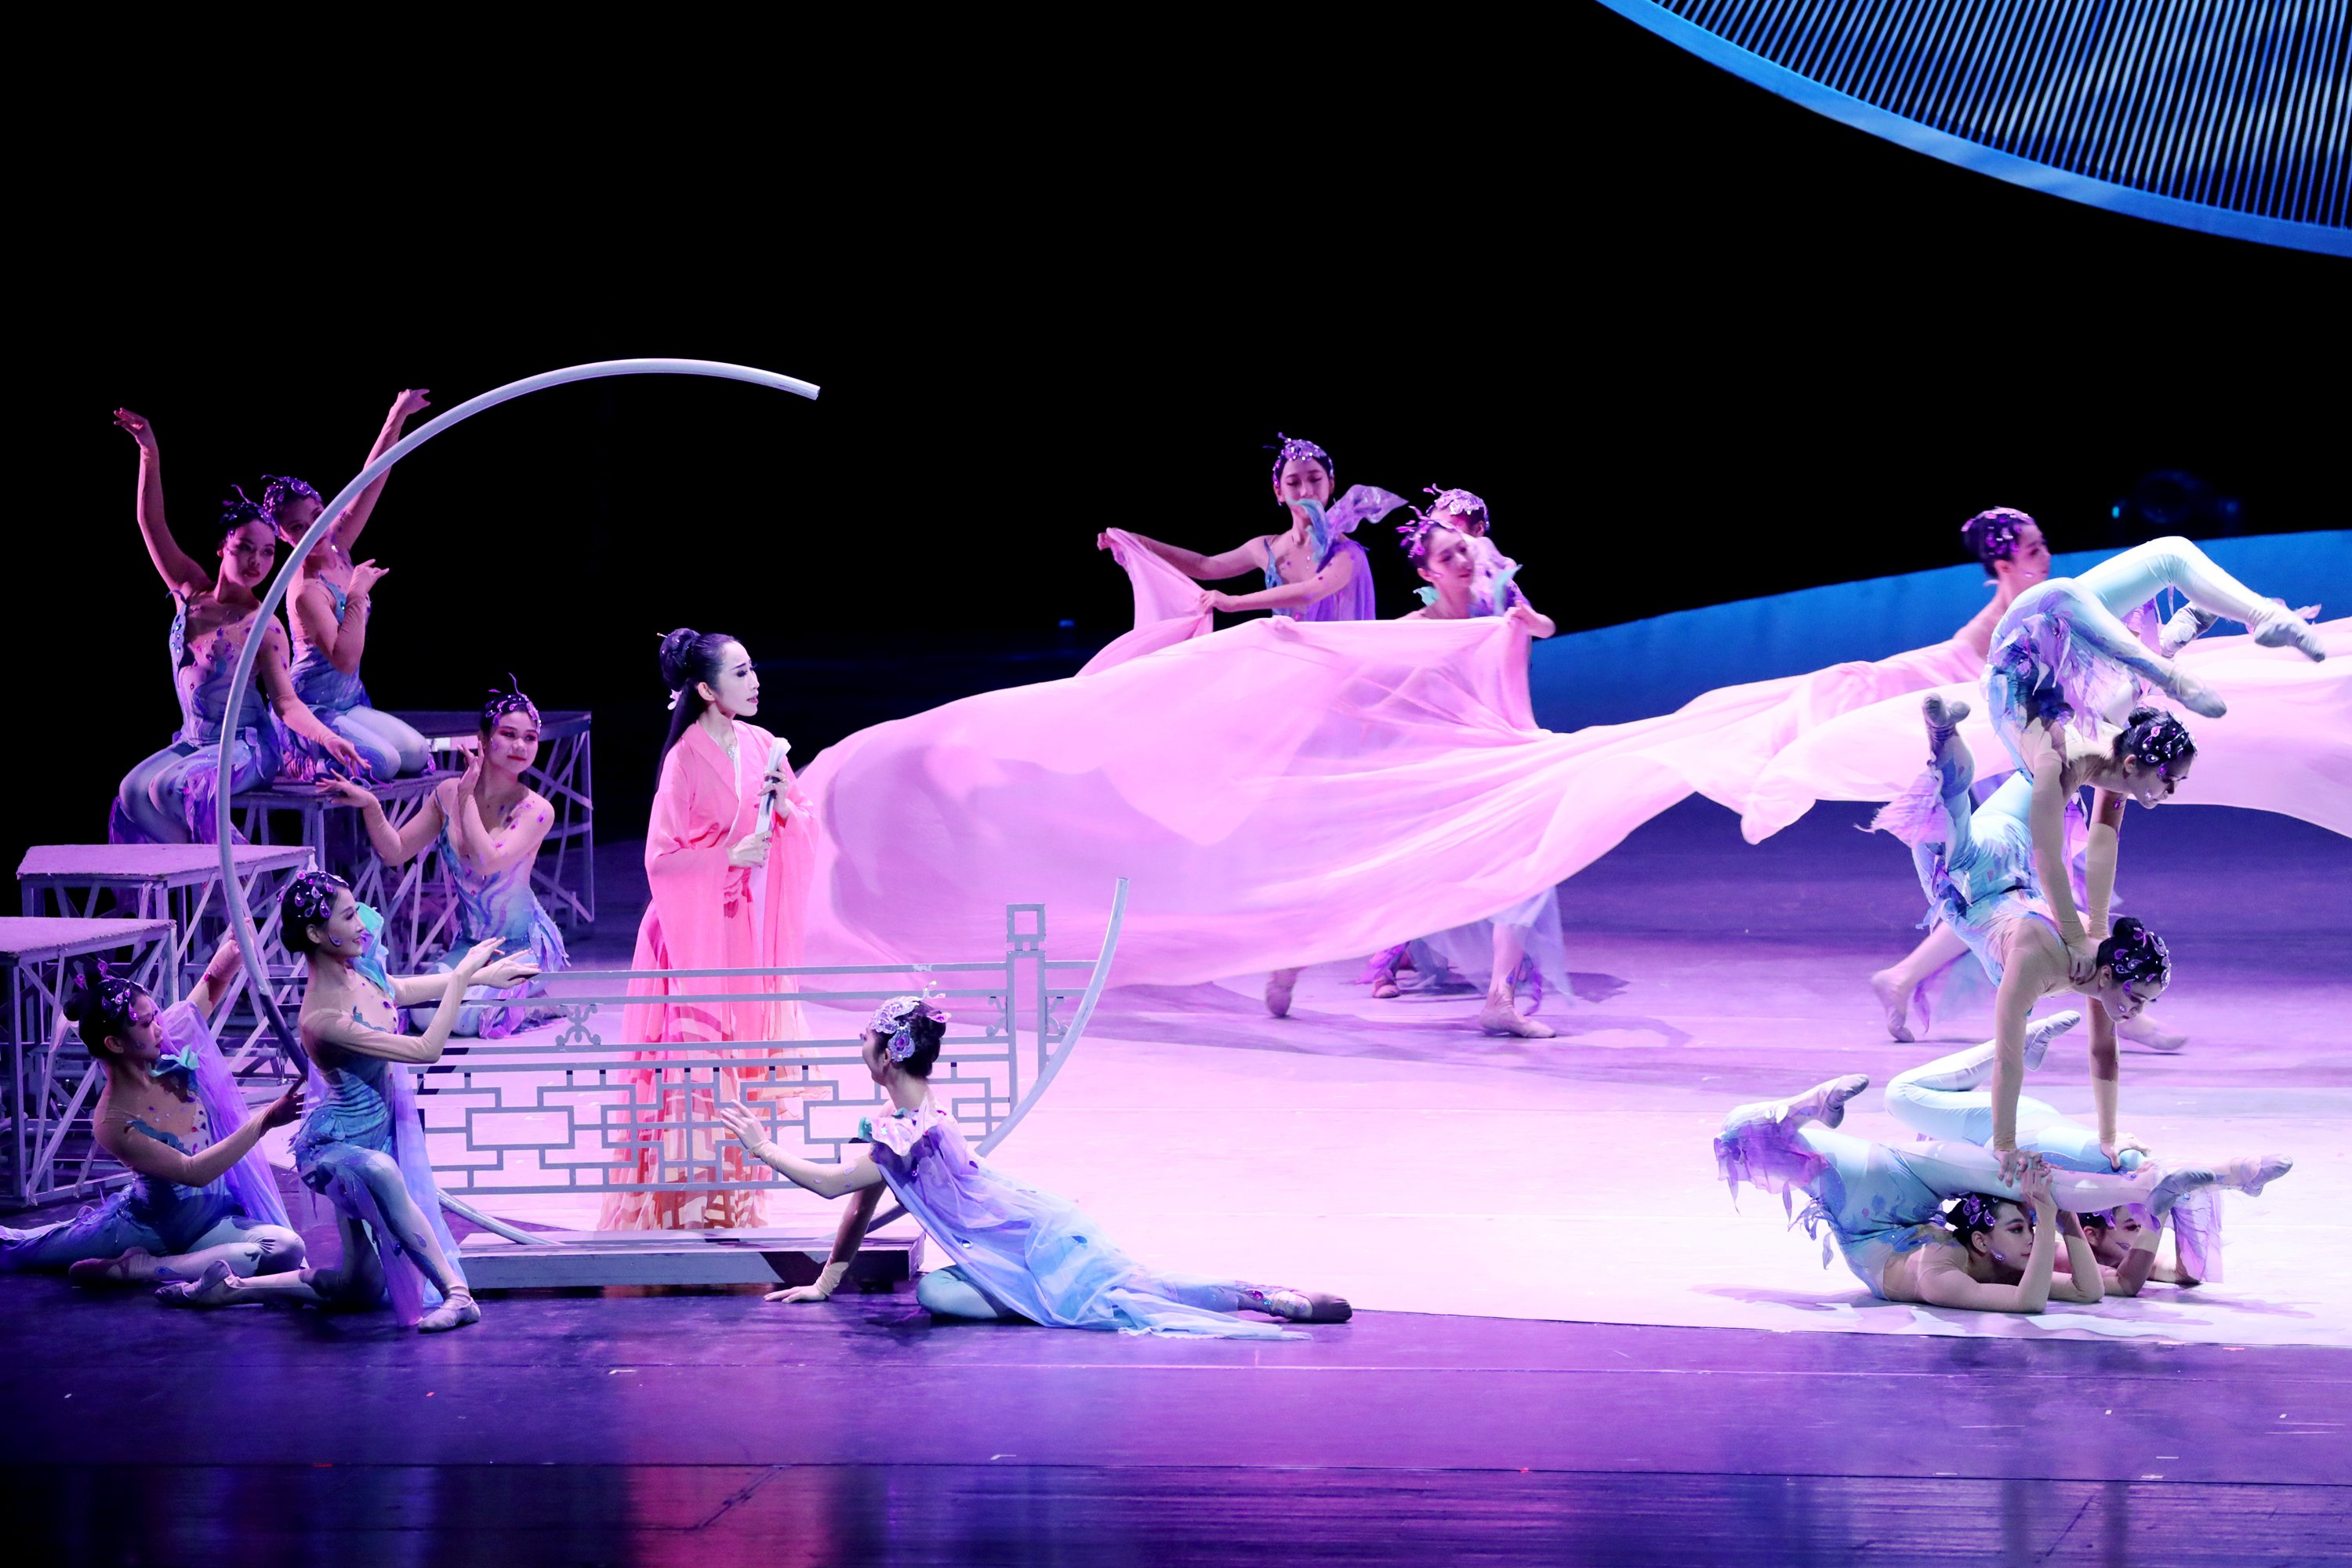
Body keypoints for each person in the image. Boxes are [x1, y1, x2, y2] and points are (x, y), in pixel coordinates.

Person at [713, 997, 1352, 1335]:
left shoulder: (908, 1128)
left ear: (890, 1054)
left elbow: (833, 1187)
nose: (860, 1043)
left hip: (1025, 1237)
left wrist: (762, 1146)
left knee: (1125, 1295)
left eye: (867, 1036)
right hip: (1008, 1239)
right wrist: (826, 1283)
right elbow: (861, 1204)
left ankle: (1263, 1296)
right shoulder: (902, 1119)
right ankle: (1259, 1297)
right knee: (945, 1293)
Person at [154, 871, 536, 1330]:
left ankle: (231, 1288)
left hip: (373, 1138)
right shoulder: (322, 1017)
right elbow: (425, 1050)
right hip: (334, 1151)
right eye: (350, 916)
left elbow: (400, 991)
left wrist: (483, 975)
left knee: (359, 1287)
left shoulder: (363, 971)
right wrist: (459, 979)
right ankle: (458, 1295)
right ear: (318, 933)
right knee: (381, 1171)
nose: (361, 925)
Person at [1875, 695, 2187, 1177]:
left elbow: (2105, 1053)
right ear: (2109, 977)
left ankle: (1956, 742)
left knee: (2053, 770)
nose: (2136, 1012)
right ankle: (1944, 741)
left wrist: (2108, 1136)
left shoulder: (2099, 958)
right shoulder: (2040, 961)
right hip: (1971, 877)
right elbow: (2008, 1058)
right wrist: (2005, 1145)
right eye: (2137, 999)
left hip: (2012, 850)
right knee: (1951, 814)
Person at [1714, 1072, 2267, 1312]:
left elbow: (2063, 1294)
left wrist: (2050, 1216)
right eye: (2019, 1228)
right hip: (1901, 1187)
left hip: (1870, 1203)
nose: (2029, 1237)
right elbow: (2075, 1294)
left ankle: (2156, 1180)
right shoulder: (1979, 1265)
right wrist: (2053, 1216)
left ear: (1983, 1242)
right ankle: (2169, 1179)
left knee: (1742, 1135)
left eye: (2022, 1229)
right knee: (2036, 1180)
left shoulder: (1941, 1271)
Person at [599, 629, 818, 1230]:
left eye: (752, 669)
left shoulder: (763, 744)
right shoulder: (684, 759)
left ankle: (730, 1200)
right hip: (686, 930)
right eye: (740, 673)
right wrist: (727, 857)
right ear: (705, 689)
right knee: (692, 1068)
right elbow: (661, 859)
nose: (754, 682)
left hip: (736, 927)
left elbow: (803, 821)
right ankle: (681, 1205)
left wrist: (788, 809)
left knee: (737, 1063)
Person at [1882, 1011, 2287, 1285]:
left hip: (2019, 1135)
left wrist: (2165, 1199)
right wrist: (2164, 1206)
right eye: (2135, 1227)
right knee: (1904, 1095)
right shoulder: (2074, 1220)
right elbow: (2178, 1275)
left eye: (2134, 1226)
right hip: (2019, 1134)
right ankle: (2230, 1172)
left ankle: (2232, 1171)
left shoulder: (2065, 1227)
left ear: (2093, 1233)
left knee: (1902, 1094)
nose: (2143, 1234)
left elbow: (2137, 1278)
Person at [108, 409, 364, 843]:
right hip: (194, 741)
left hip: (247, 747)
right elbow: (151, 523)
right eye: (245, 548)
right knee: (132, 793)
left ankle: (240, 872)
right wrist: (148, 451)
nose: (256, 562)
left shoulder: (263, 626)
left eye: (267, 552)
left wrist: (326, 738)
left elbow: (286, 703)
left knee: (173, 787)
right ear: (221, 547)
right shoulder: (190, 590)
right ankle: (197, 873)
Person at [1360, 500, 1565, 1036]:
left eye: (1464, 547)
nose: (1462, 558)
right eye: (1447, 555)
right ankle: (1303, 955)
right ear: (1428, 573)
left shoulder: (1494, 599)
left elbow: (1544, 626)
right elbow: (1373, 668)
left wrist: (1528, 621)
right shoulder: (1418, 626)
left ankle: (1500, 998)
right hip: (1443, 763)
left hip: (1499, 750)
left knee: (1527, 869)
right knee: (1413, 871)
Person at [0, 942, 304, 1287]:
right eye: (147, 1024)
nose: (159, 1028)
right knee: (20, 1248)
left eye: (156, 1017)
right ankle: (141, 1267)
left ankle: (150, 1268)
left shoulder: (167, 1048)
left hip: (214, 1223)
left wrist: (236, 946)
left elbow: (211, 985)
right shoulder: (112, 1120)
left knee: (287, 1248)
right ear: (115, 1043)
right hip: (149, 1230)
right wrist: (264, 1121)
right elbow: (193, 1172)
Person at [327, 678, 567, 1036]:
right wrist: (371, 806)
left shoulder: (536, 810)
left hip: (520, 947)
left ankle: (534, 996)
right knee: (423, 1014)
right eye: (508, 734)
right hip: (472, 946)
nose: (521, 745)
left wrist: (467, 797)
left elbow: (486, 861)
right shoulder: (448, 794)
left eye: (530, 738)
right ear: (483, 739)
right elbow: (395, 852)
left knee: (465, 1018)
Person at [269, 388, 437, 781]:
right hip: (315, 709)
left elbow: (371, 478)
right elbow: (344, 659)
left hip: (349, 701)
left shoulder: (337, 542)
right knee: (384, 764)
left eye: (317, 515)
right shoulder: (307, 591)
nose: (314, 530)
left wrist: (397, 416)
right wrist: (358, 594)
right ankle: (297, 760)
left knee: (416, 754)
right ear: (282, 535)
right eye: (299, 527)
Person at [1102, 434, 1407, 622]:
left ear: (1331, 484)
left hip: (1335, 674)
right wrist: (1139, 542)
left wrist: (1234, 602)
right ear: (1278, 491)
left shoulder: (1347, 553)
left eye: (1315, 479)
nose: (1306, 491)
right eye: (1293, 483)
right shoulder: (1267, 547)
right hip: (1286, 663)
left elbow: (1309, 593)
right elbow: (1205, 566)